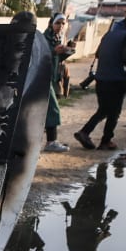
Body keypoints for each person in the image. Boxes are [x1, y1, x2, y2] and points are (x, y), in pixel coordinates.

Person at [73, 11, 126, 151]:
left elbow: (98, 53)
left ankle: (84, 132)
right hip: (117, 79)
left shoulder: (109, 34)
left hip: (101, 78)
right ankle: (106, 141)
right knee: (114, 112)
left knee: (104, 109)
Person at [42, 13, 74, 152]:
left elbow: (57, 59)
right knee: (52, 110)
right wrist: (53, 51)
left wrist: (67, 51)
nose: (60, 26)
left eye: (63, 23)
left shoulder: (57, 38)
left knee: (46, 111)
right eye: (58, 23)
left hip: (51, 79)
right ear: (51, 23)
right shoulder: (44, 39)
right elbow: (41, 56)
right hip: (42, 78)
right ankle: (51, 142)